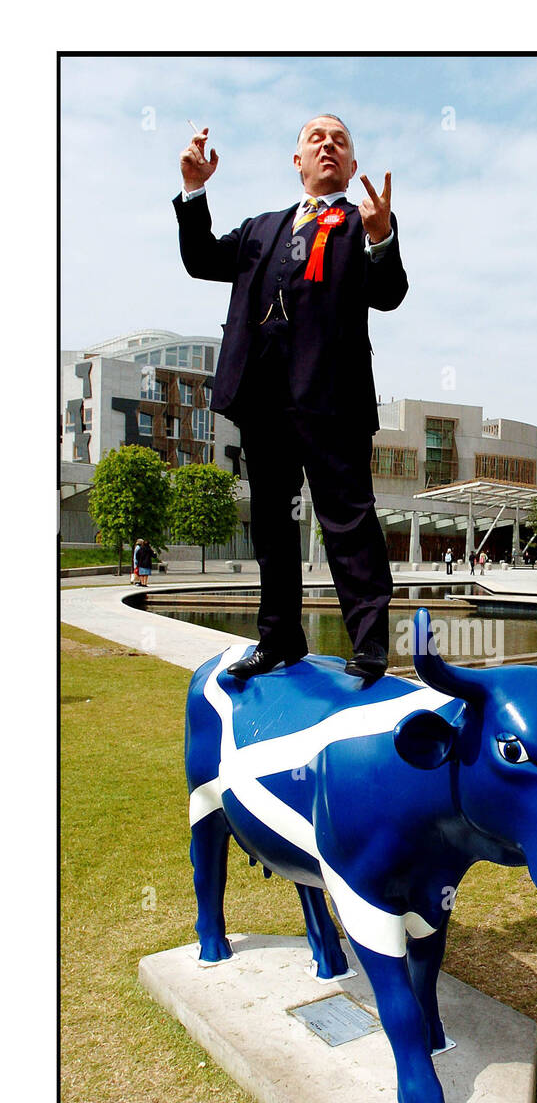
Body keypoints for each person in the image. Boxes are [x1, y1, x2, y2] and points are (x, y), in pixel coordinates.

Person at [174, 115, 408, 681]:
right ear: (297, 160)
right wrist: (194, 190)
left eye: (340, 141)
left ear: (352, 167)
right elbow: (202, 258)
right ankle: (279, 639)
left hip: (334, 400)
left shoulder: (363, 222)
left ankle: (370, 643)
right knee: (271, 521)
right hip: (262, 399)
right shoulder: (261, 228)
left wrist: (382, 238)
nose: (328, 146)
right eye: (315, 139)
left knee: (348, 520)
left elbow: (390, 294)